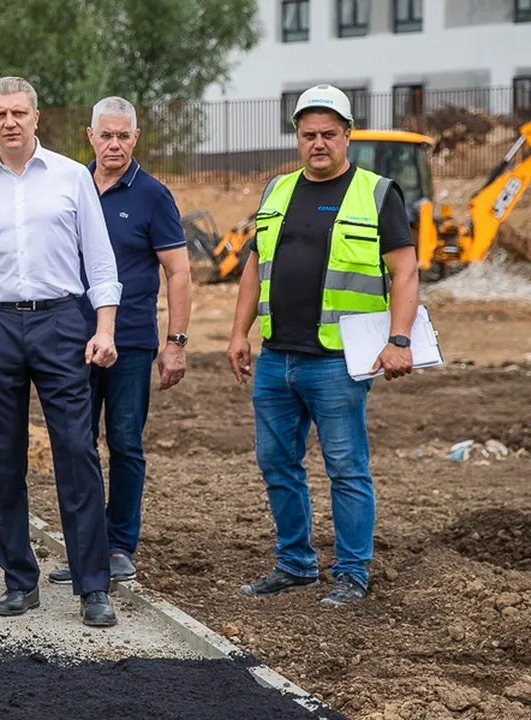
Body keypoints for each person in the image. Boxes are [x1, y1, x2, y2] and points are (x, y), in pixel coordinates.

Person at [0, 76, 122, 627]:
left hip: (62, 321)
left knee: (76, 451)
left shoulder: (71, 178)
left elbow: (101, 263)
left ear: (36, 117)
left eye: (19, 112)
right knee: (1, 455)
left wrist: (103, 329)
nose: (10, 122)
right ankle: (19, 579)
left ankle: (93, 586)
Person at [226, 84, 419, 607]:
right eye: (308, 134)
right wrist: (238, 333)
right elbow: (253, 268)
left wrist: (399, 339)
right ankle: (295, 564)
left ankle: (352, 573)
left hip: (337, 362)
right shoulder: (276, 191)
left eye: (328, 134)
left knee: (346, 469)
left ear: (347, 136)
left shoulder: (378, 192)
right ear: (297, 137)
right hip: (275, 359)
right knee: (276, 463)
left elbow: (404, 271)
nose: (318, 143)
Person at [48, 96, 192, 587]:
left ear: (135, 138)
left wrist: (175, 341)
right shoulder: (69, 187)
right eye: (105, 135)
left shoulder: (153, 195)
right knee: (75, 444)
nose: (113, 144)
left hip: (130, 341)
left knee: (125, 442)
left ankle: (119, 546)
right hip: (70, 339)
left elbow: (178, 272)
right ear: (90, 136)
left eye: (123, 136)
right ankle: (84, 548)